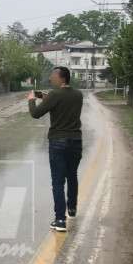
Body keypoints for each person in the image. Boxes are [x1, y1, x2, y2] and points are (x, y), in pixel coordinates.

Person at [27, 66, 83, 233]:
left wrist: (31, 99)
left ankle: (60, 220)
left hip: (58, 142)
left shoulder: (55, 95)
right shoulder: (78, 94)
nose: (51, 78)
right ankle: (72, 208)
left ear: (62, 78)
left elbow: (36, 113)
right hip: (76, 141)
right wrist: (46, 97)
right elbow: (62, 103)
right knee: (72, 176)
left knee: (58, 181)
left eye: (53, 76)